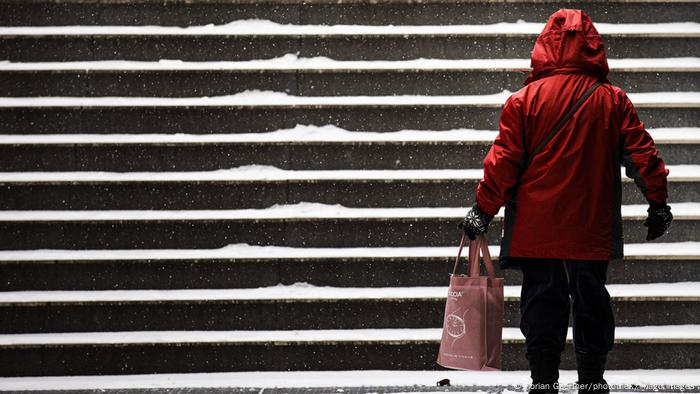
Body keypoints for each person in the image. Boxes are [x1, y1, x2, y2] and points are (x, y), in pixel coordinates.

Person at [457, 8, 673, 394]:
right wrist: (657, 202)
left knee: (542, 296)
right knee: (591, 295)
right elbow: (643, 155)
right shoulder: (612, 99)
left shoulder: (524, 101)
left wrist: (483, 209)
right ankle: (591, 376)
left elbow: (503, 161)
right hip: (591, 221)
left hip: (536, 225)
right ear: (593, 47)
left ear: (544, 47)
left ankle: (543, 378)